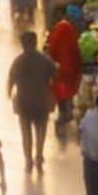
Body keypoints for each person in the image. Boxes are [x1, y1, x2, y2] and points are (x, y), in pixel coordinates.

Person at [6, 29, 57, 175]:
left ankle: (28, 159)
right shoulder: (45, 60)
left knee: (26, 132)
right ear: (35, 43)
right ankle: (39, 156)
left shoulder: (18, 61)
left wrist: (9, 95)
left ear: (23, 44)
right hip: (42, 100)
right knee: (41, 130)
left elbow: (11, 81)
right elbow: (55, 76)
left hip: (24, 102)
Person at [46, 10, 83, 140]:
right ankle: (66, 113)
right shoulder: (70, 31)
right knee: (69, 93)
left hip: (60, 71)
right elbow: (76, 51)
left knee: (62, 95)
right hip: (71, 69)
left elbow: (52, 51)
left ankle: (63, 116)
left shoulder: (57, 31)